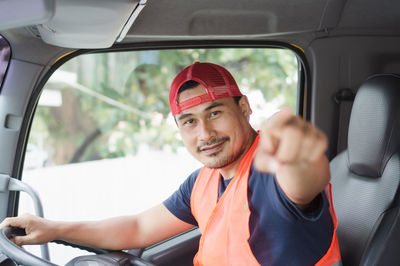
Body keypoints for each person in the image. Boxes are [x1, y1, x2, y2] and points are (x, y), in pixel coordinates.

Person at [0, 62, 340, 265]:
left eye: (215, 113)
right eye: (189, 121)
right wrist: (53, 228)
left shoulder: (271, 171)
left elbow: (302, 183)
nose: (205, 133)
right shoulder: (202, 182)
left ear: (245, 108)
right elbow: (138, 228)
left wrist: (296, 152)